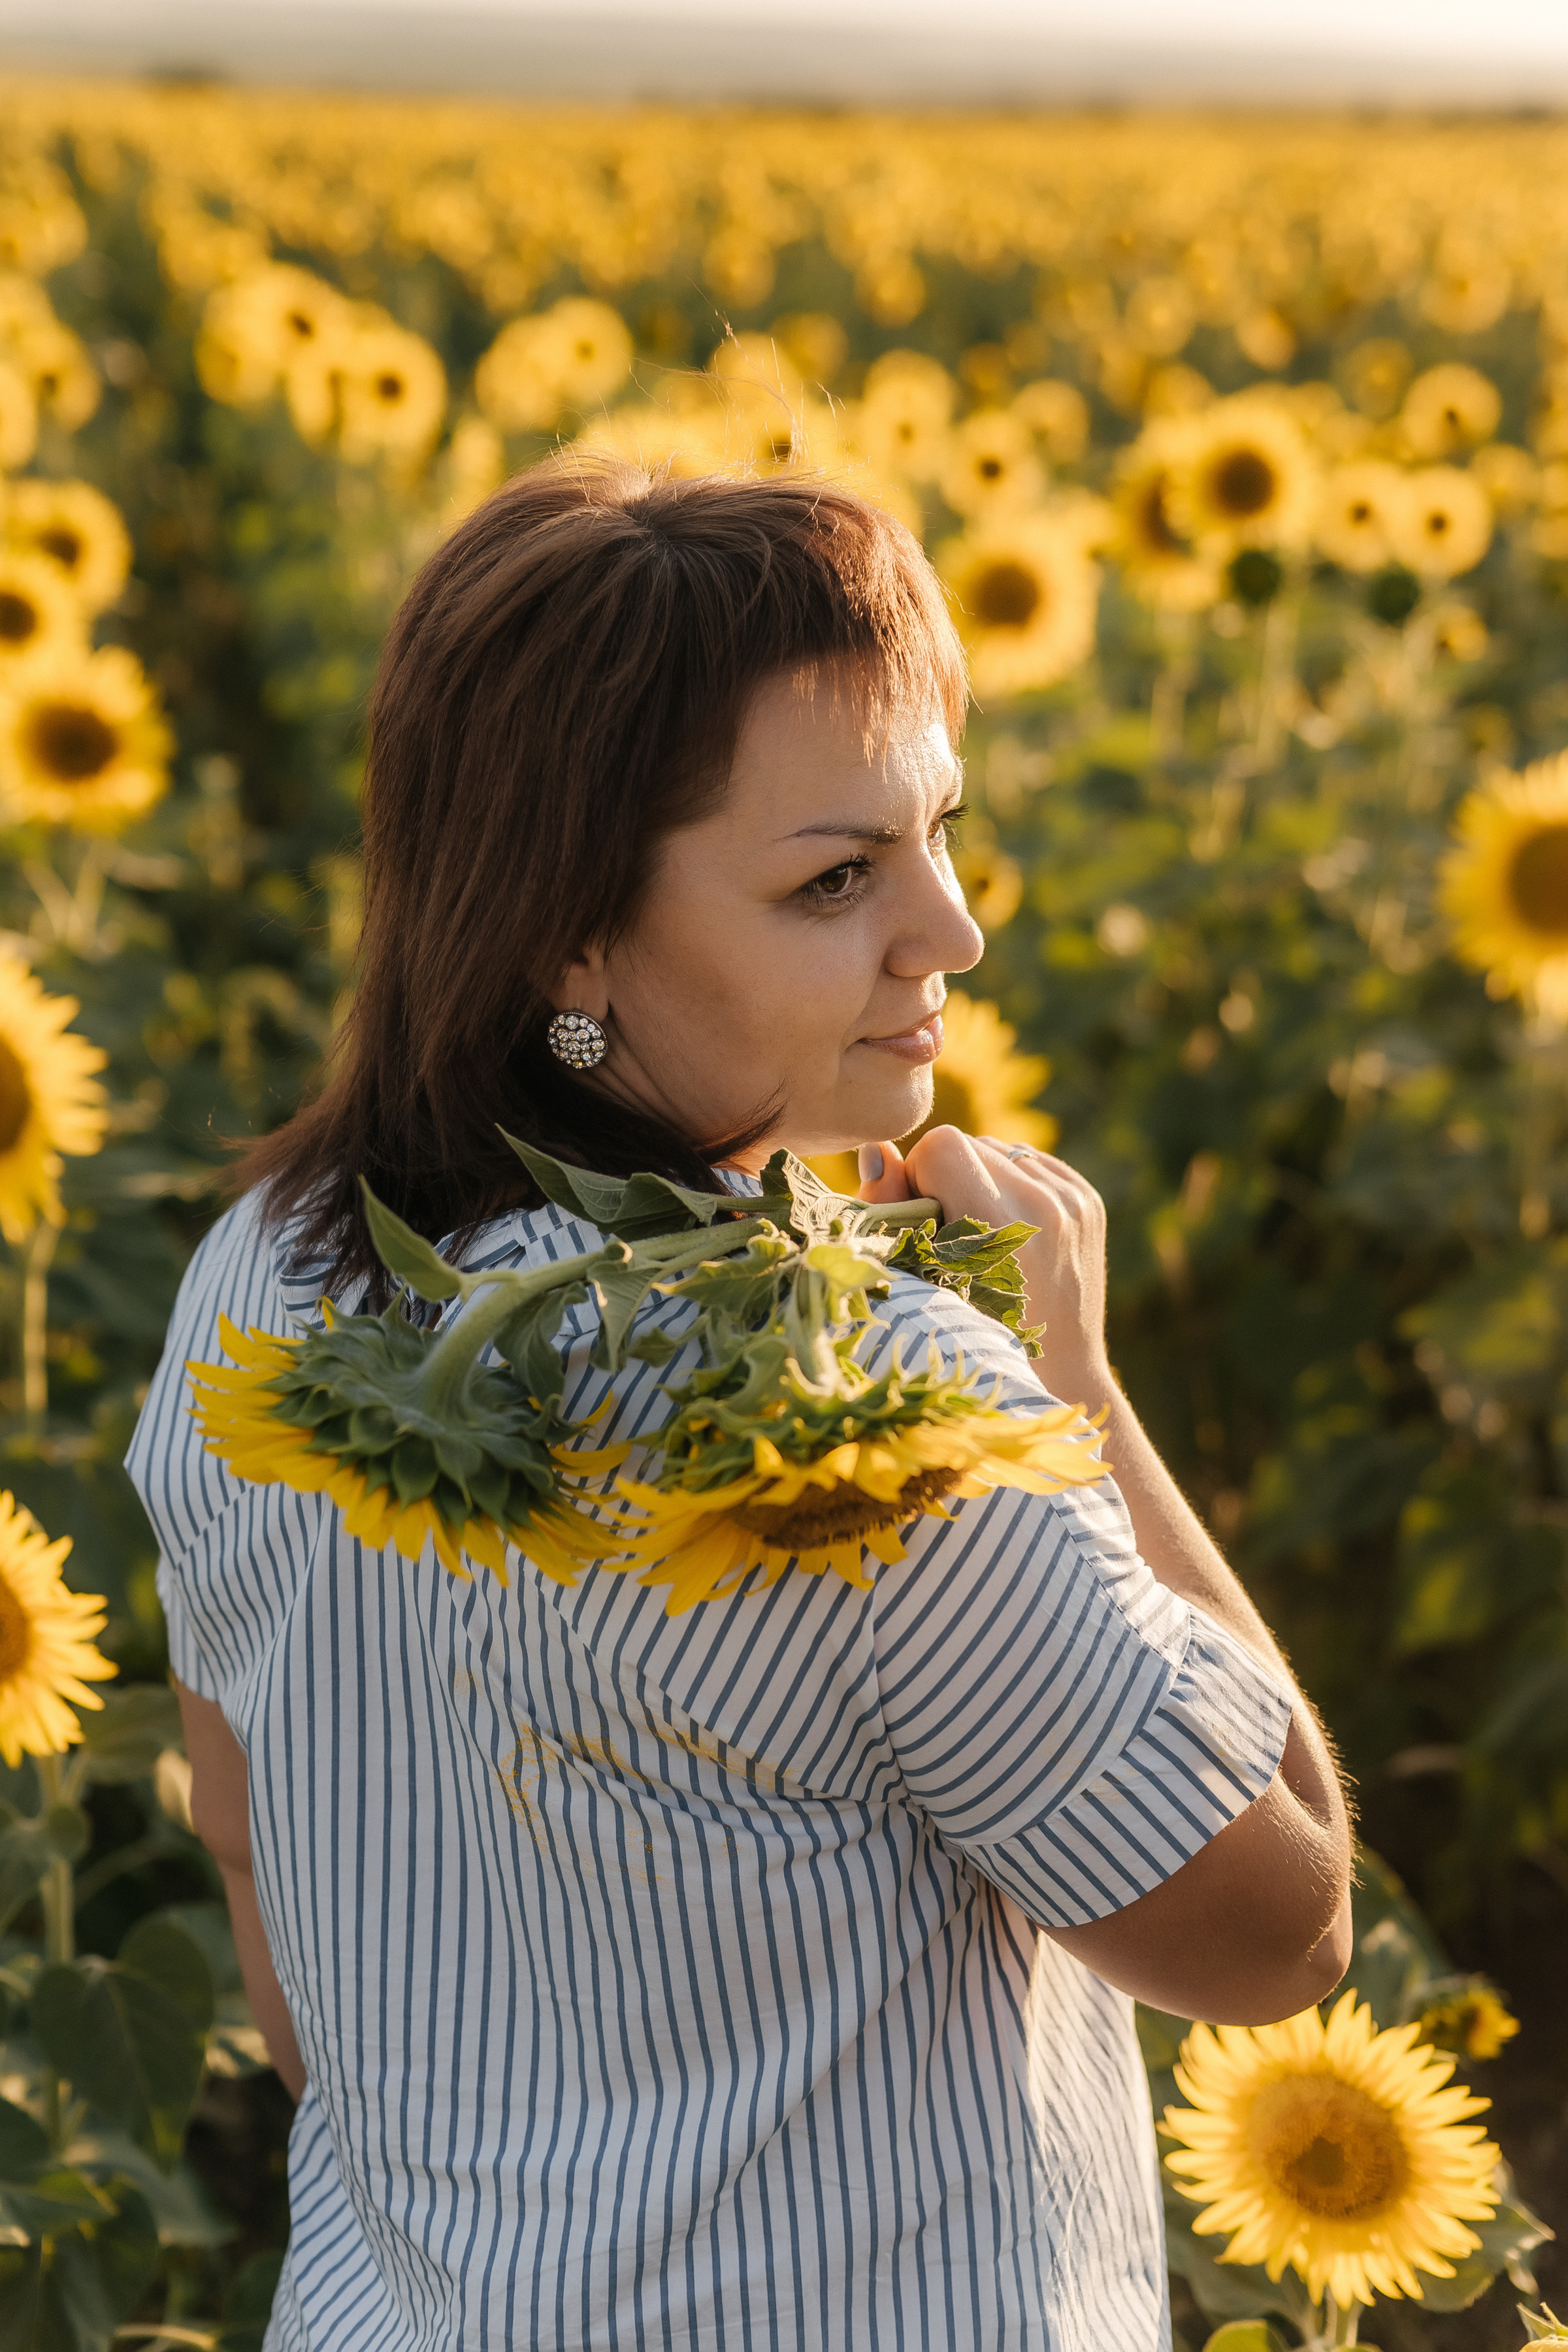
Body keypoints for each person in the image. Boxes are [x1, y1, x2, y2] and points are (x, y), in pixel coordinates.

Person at [127, 460, 1351, 2352]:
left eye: (941, 832)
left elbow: (264, 1892)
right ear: (569, 933)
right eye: (835, 879)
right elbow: (1280, 1927)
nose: (952, 931)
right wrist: (1076, 1383)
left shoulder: (263, 1285)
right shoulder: (851, 1412)